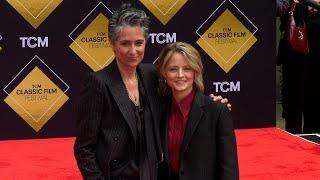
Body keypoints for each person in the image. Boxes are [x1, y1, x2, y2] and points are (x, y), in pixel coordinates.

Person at [74, 4, 232, 180]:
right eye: (125, 43)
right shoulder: (98, 83)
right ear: (112, 44)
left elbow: (182, 88)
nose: (133, 51)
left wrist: (214, 105)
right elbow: (84, 148)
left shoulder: (152, 74)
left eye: (139, 43)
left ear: (146, 42)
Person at [156, 42, 239, 180]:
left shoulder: (216, 110)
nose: (180, 75)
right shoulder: (158, 108)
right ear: (164, 73)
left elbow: (228, 167)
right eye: (173, 69)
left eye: (187, 68)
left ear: (196, 71)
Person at [277, 0, 320, 133]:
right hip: (293, 47)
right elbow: (279, 7)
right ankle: (292, 142)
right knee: (292, 102)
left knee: (315, 102)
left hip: (317, 48)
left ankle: (313, 142)